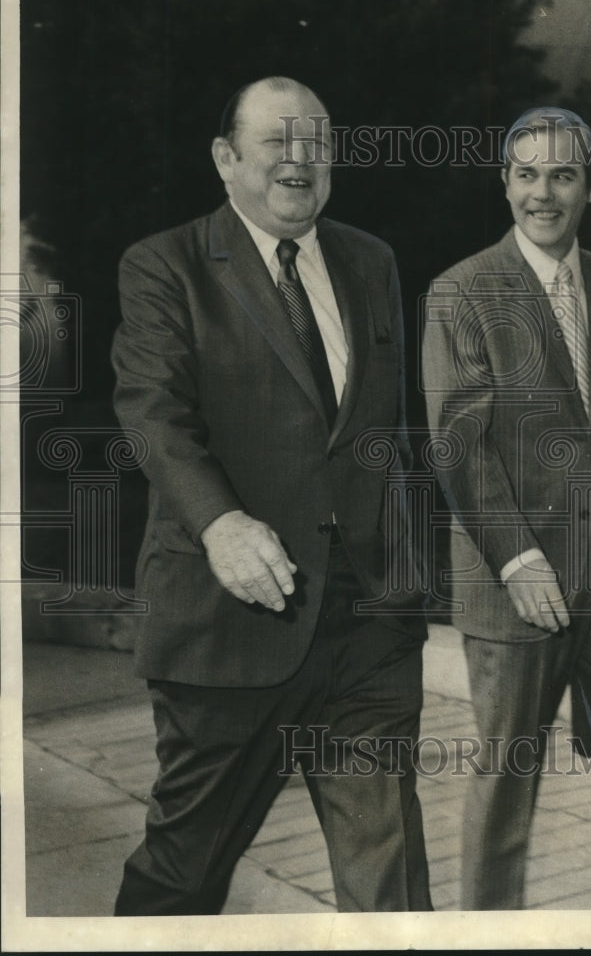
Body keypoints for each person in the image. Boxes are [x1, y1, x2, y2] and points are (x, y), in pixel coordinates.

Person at [111, 76, 431, 915]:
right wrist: (219, 523)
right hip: (231, 622)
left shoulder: (371, 261)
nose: (302, 160)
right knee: (183, 873)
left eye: (318, 142)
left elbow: (379, 433)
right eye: (277, 142)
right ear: (226, 160)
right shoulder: (165, 265)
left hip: (367, 628)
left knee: (388, 877)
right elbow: (152, 414)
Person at [422, 107, 591, 910]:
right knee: (508, 788)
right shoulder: (462, 289)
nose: (544, 192)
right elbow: (458, 443)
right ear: (505, 181)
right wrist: (516, 557)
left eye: (563, 174)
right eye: (528, 173)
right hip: (514, 586)